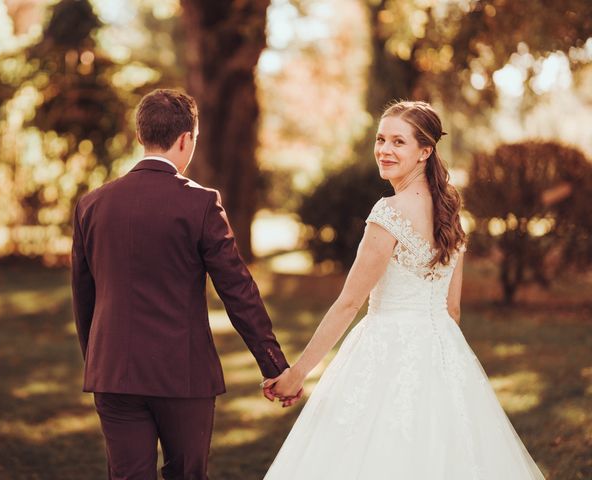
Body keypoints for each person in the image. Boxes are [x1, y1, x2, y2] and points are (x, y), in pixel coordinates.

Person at [262, 101, 546, 479]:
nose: (384, 150)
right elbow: (452, 310)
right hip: (443, 351)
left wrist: (298, 373)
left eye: (398, 142)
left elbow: (349, 303)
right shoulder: (451, 212)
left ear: (424, 151)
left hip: (385, 347)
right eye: (381, 139)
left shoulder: (388, 214)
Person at [71, 88, 298, 480]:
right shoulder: (201, 204)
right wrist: (275, 366)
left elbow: (83, 294)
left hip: (113, 373)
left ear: (142, 135)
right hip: (183, 374)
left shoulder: (92, 204)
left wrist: (97, 357)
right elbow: (237, 290)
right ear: (185, 139)